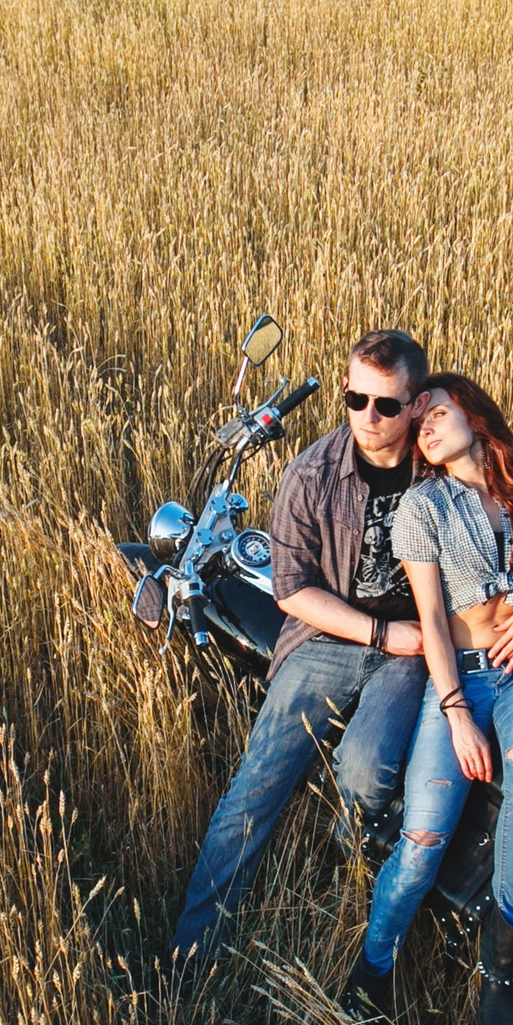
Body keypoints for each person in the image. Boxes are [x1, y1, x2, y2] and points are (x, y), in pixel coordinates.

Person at [164, 329, 435, 971]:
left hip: (413, 652)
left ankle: (348, 887)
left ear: (417, 404)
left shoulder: (442, 469)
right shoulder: (311, 473)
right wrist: (378, 633)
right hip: (328, 639)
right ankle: (188, 962)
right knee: (253, 792)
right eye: (355, 400)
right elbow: (291, 591)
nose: (369, 418)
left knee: (366, 775)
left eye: (388, 405)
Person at [344, 373, 513, 1025]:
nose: (427, 427)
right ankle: (374, 967)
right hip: (460, 681)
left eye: (437, 412)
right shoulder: (425, 507)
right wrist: (455, 712)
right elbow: (434, 626)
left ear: (474, 414)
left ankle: (500, 965)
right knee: (421, 839)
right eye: (420, 425)